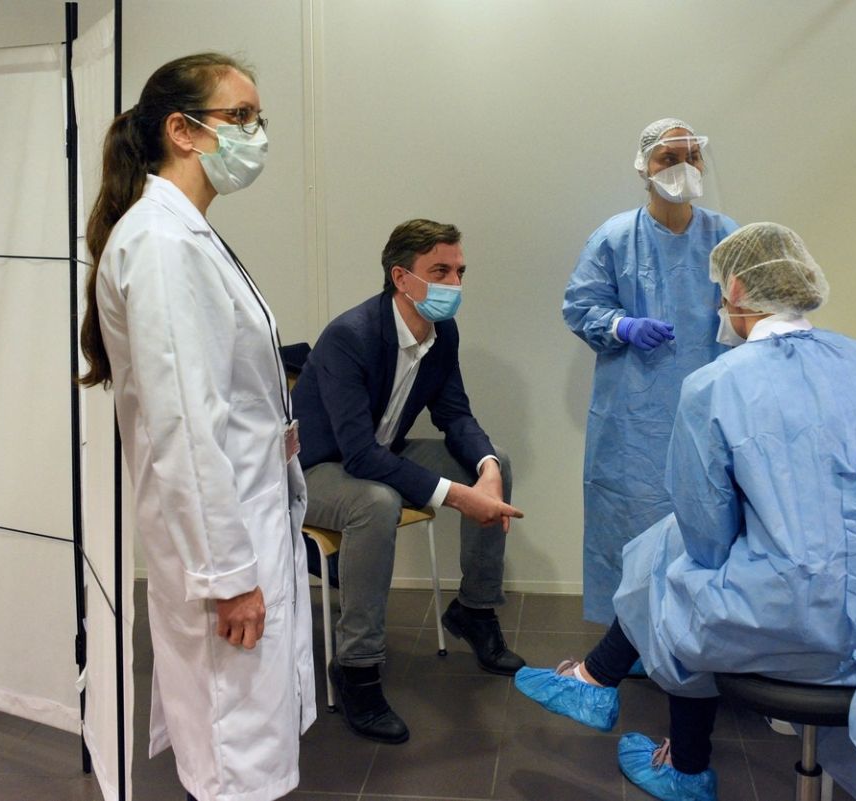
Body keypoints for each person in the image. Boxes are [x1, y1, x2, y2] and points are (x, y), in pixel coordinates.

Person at [520, 222, 856, 801]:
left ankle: (667, 750)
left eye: (718, 292)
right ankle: (602, 687)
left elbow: (707, 541)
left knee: (667, 560)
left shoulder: (717, 384)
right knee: (673, 557)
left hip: (802, 631)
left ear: (735, 290)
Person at [78, 53, 314, 801]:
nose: (256, 134)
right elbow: (184, 424)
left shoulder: (185, 234)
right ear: (181, 130)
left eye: (258, 118)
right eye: (240, 117)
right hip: (224, 541)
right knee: (232, 751)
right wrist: (229, 576)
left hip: (243, 513)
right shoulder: (162, 243)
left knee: (238, 738)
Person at [290, 218, 525, 744]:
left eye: (460, 272)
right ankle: (356, 667)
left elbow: (454, 414)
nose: (454, 284)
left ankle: (475, 610)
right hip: (314, 469)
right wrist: (456, 497)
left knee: (498, 461)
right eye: (440, 271)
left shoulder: (442, 333)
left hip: (379, 454)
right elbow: (358, 454)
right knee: (376, 502)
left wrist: (485, 469)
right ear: (401, 277)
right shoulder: (351, 336)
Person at [563, 117, 740, 624]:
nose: (684, 165)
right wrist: (622, 326)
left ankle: (696, 633)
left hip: (709, 408)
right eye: (669, 157)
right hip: (633, 419)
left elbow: (754, 311)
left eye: (692, 155)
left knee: (705, 521)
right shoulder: (616, 237)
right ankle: (629, 638)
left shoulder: (726, 237)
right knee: (631, 522)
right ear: (644, 167)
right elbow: (581, 307)